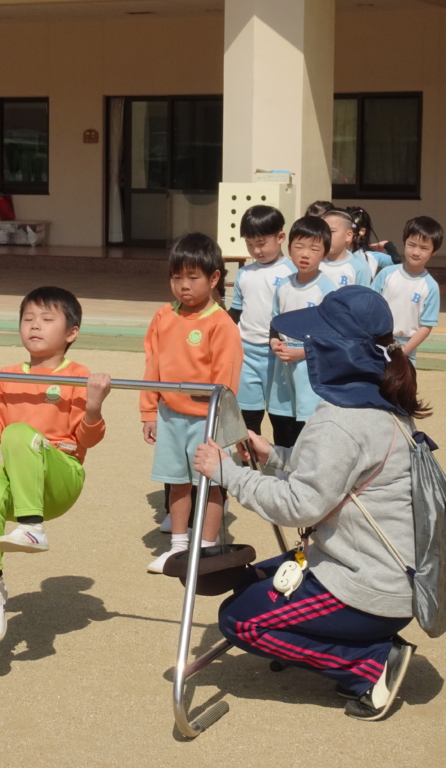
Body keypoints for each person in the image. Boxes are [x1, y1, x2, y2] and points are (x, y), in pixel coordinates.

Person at [193, 285, 427, 722]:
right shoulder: (381, 403)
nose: (309, 349)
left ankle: (368, 664)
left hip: (369, 587)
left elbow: (300, 506)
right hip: (394, 577)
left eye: (316, 341)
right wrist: (274, 455)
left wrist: (227, 473)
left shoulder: (341, 421)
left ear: (338, 351)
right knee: (249, 581)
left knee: (240, 620)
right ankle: (361, 643)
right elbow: (339, 475)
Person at [0, 286, 111, 644]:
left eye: (46, 319)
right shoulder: (7, 375)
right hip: (20, 476)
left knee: (19, 433)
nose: (35, 325)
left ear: (71, 332)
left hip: (60, 476)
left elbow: (87, 440)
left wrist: (94, 407)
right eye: (28, 319)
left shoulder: (78, 374)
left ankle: (31, 526)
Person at [142, 233, 241, 574]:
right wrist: (148, 411)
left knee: (210, 483)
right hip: (170, 415)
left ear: (214, 278)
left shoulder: (220, 323)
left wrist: (216, 413)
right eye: (176, 277)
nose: (183, 285)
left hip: (208, 419)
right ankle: (178, 547)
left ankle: (207, 547)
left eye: (193, 277)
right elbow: (152, 365)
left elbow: (226, 376)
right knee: (177, 481)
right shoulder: (163, 315)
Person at [267, 216, 337, 447]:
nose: (305, 254)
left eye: (314, 249)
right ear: (289, 249)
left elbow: (333, 336)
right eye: (299, 247)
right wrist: (274, 342)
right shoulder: (283, 285)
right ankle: (283, 468)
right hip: (283, 365)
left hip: (311, 366)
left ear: (325, 253)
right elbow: (275, 321)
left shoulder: (327, 289)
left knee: (307, 424)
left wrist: (303, 352)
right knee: (281, 420)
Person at [226, 205, 295, 437]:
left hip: (280, 356)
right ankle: (250, 460)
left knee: (282, 420)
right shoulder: (244, 273)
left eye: (261, 243)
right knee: (248, 419)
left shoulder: (292, 272)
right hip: (247, 354)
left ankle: (284, 460)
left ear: (281, 237)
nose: (256, 250)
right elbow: (235, 312)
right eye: (249, 244)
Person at [371, 216, 443, 364]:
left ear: (434, 251)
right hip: (376, 343)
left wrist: (403, 352)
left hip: (406, 349)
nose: (416, 252)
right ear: (404, 243)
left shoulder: (430, 286)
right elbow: (369, 306)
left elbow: (426, 326)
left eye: (424, 248)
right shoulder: (386, 274)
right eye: (412, 245)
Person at [319, 209, 373, 288]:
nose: (325, 236)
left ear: (348, 235)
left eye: (332, 231)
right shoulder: (314, 262)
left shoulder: (359, 268)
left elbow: (363, 295)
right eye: (322, 232)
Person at [347, 206, 397, 278]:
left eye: (352, 231)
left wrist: (387, 244)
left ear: (362, 231)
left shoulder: (370, 256)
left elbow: (395, 260)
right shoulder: (336, 253)